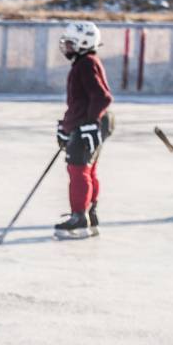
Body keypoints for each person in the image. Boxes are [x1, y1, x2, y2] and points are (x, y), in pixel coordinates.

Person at [54, 21, 114, 241]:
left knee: (78, 170)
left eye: (70, 43)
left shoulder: (86, 63)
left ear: (84, 42)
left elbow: (102, 97)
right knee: (88, 169)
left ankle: (79, 219)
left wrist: (90, 123)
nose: (66, 47)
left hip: (90, 123)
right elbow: (80, 103)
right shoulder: (84, 63)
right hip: (88, 122)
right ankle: (89, 214)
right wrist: (65, 127)